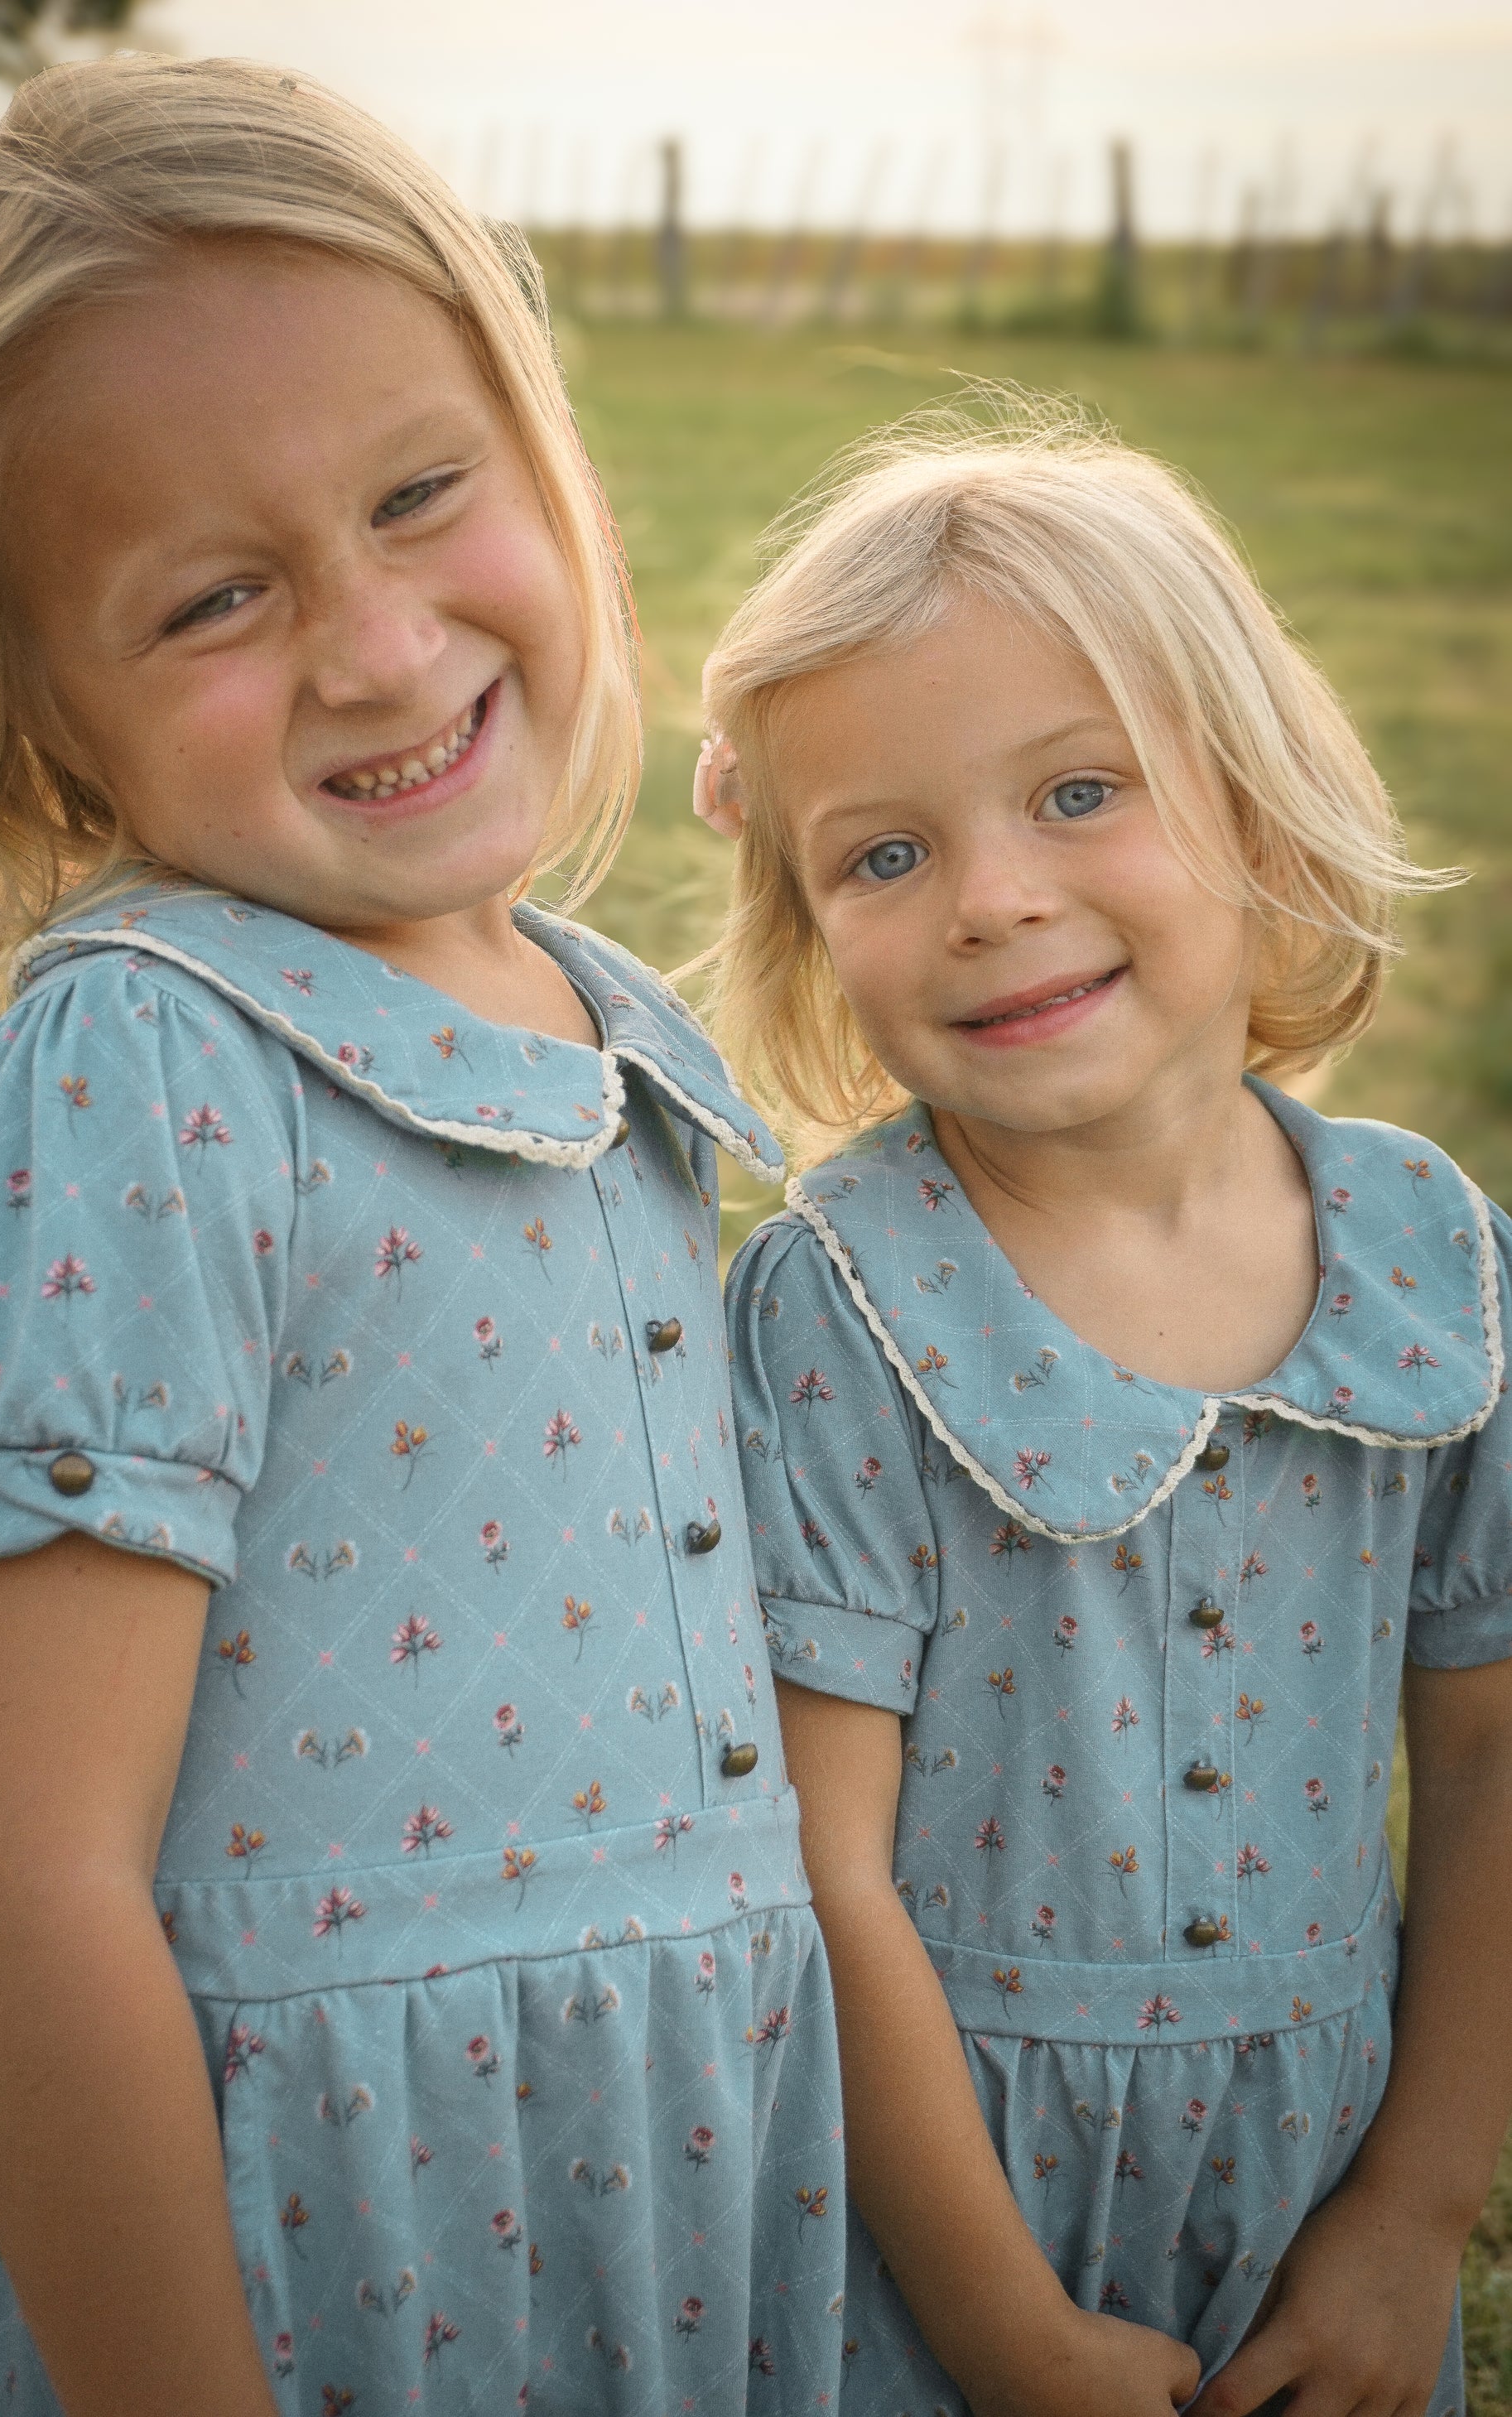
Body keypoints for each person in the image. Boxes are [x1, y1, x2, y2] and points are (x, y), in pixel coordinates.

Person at [0, 55, 845, 2415]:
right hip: (312, 2240)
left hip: (675, 2152)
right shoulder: (145, 1074)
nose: (379, 644)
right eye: (217, 599)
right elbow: (30, 1888)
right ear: (47, 732)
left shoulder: (601, 1030)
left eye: (423, 495)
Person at [696, 404, 1512, 2417]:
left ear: (1254, 804)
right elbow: (826, 1862)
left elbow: (1490, 1748)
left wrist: (1410, 2214)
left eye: (1077, 790)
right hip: (934, 2194)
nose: (987, 896)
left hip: (1326, 2161)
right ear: (814, 932)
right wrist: (997, 2321)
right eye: (881, 852)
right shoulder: (842, 1302)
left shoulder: (1431, 1253)